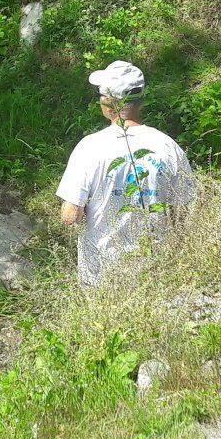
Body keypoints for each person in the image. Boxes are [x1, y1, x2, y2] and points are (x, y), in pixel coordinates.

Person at [56, 61, 194, 287]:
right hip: (157, 271)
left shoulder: (89, 147)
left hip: (102, 274)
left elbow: (70, 217)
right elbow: (181, 215)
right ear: (141, 99)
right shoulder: (168, 146)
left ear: (108, 102)